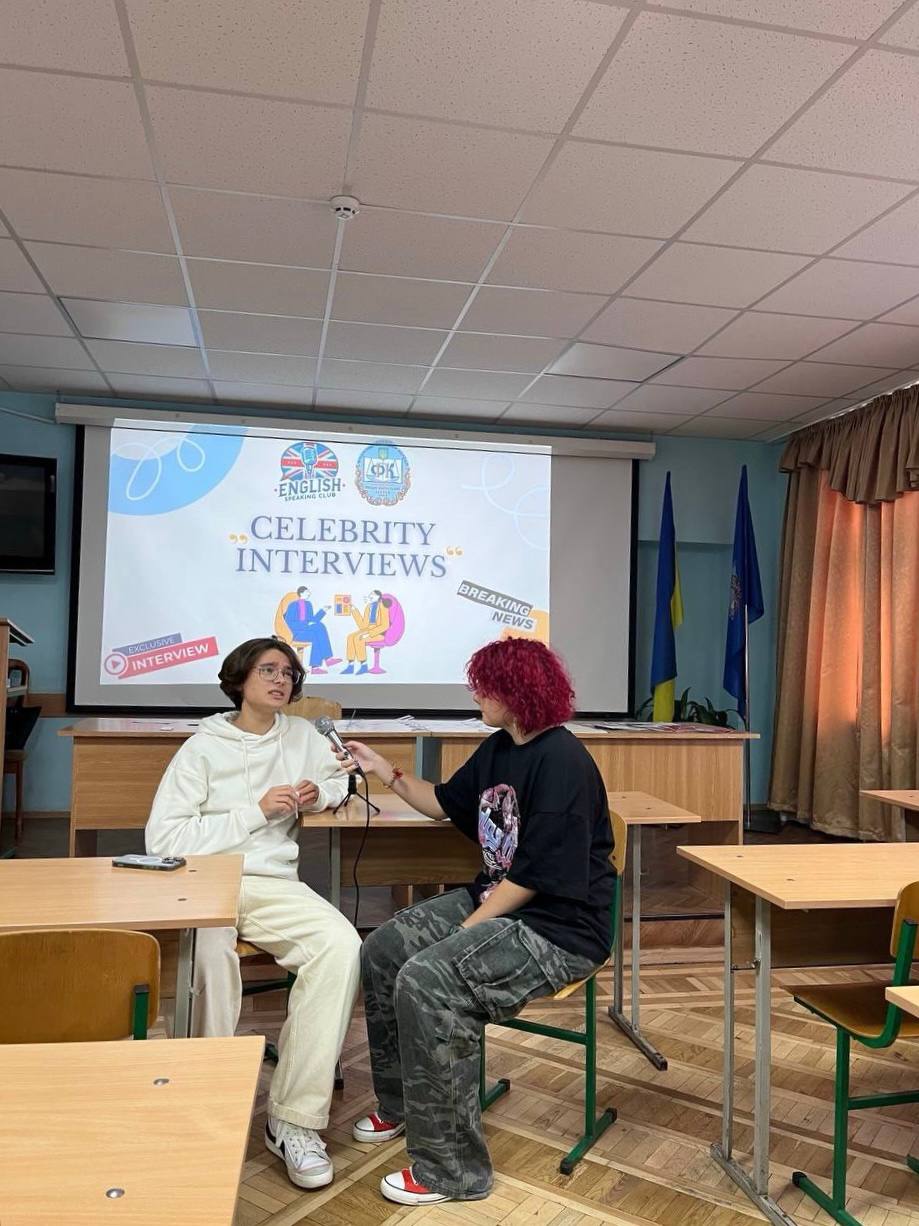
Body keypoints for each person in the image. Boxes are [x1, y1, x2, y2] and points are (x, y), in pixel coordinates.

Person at [333, 637, 616, 1206]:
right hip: (503, 899)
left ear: (516, 692)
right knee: (383, 951)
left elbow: (533, 877)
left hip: (560, 928)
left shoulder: (563, 763)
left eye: (484, 687)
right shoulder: (499, 748)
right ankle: (404, 1105)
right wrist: (383, 768)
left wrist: (465, 932)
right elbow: (442, 802)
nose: (475, 695)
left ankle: (452, 1171)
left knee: (430, 981)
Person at [145, 636, 360, 1191]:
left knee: (341, 947)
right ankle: (200, 1099)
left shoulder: (303, 735)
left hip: (269, 882)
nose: (281, 680)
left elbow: (341, 780)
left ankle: (293, 1120)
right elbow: (164, 839)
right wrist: (254, 812)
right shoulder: (202, 747)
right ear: (239, 679)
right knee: (209, 959)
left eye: (288, 673)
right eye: (268, 670)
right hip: (202, 878)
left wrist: (319, 794)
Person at [282, 586, 340, 674]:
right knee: (318, 631)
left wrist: (323, 611)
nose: (309, 594)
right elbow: (289, 623)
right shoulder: (293, 605)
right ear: (301, 593)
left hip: (307, 631)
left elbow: (312, 621)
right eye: (307, 592)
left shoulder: (308, 604)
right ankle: (325, 660)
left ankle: (316, 667)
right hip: (296, 633)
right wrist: (305, 624)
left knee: (319, 628)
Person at [342, 588, 390, 674]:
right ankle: (350, 666)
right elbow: (363, 626)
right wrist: (354, 610)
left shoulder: (383, 606)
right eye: (370, 594)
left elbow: (385, 625)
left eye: (373, 594)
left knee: (359, 638)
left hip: (379, 633)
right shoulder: (369, 607)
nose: (370, 596)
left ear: (379, 597)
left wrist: (369, 634)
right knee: (350, 637)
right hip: (368, 629)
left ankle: (364, 665)